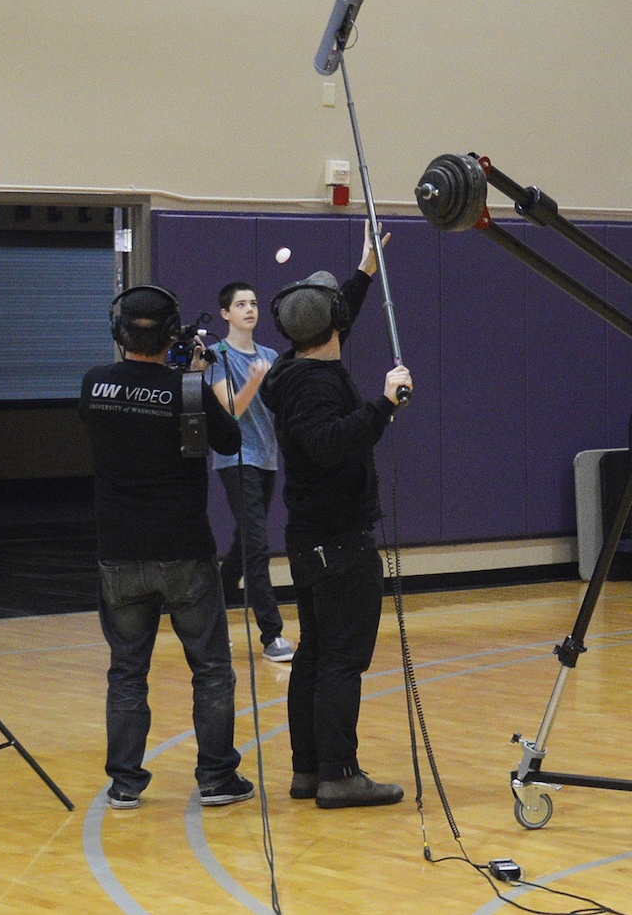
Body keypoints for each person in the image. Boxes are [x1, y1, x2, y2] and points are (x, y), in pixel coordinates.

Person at [79, 284, 254, 810]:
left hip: (119, 551)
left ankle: (126, 784)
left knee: (127, 670)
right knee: (211, 669)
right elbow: (230, 441)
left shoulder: (94, 385)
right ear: (174, 333)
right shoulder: (189, 390)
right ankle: (217, 779)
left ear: (120, 331)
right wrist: (198, 379)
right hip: (184, 550)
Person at [260, 221, 413, 809]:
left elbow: (335, 311)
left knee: (317, 657)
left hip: (310, 542)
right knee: (340, 661)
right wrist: (384, 406)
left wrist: (366, 270)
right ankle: (340, 774)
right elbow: (329, 443)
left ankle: (308, 771)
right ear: (335, 329)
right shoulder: (318, 384)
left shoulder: (290, 369)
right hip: (339, 545)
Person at [206, 281, 295, 663]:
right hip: (236, 461)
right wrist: (255, 380)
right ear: (225, 314)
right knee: (257, 546)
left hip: (267, 459)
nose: (249, 309)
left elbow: (280, 406)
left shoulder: (270, 354)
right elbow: (231, 411)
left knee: (243, 546)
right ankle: (271, 635)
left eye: (253, 303)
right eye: (240, 304)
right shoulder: (216, 356)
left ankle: (210, 624)